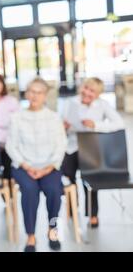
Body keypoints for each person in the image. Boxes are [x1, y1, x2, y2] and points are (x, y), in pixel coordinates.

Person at [5, 78, 67, 252]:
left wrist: (48, 168)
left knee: (55, 190)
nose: (34, 95)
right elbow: (11, 145)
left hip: (49, 166)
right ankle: (31, 236)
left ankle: (52, 230)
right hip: (24, 166)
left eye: (39, 92)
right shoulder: (16, 118)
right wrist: (27, 166)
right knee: (30, 191)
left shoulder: (54, 117)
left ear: (45, 95)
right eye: (31, 91)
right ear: (26, 93)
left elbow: (61, 145)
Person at [61, 77, 124, 228]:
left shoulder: (103, 105)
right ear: (81, 88)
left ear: (98, 94)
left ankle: (93, 214)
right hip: (71, 146)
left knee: (89, 180)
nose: (87, 93)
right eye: (86, 88)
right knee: (68, 178)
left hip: (91, 148)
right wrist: (63, 126)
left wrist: (96, 124)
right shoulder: (70, 102)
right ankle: (72, 209)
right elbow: (60, 123)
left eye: (92, 91)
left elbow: (119, 124)